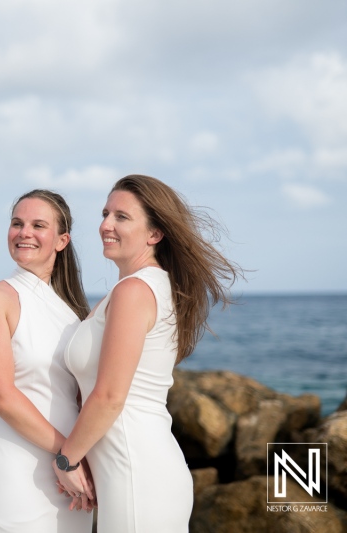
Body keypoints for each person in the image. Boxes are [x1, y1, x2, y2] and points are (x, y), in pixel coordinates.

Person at [54, 175, 243, 532]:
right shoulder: (143, 287)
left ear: (154, 234)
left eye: (121, 217)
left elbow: (110, 397)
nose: (105, 225)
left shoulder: (135, 291)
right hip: (136, 468)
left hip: (136, 472)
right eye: (105, 214)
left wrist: (67, 460)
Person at [0, 189, 95, 532]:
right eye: (17, 223)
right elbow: (1, 397)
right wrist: (68, 457)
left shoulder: (73, 315)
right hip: (16, 475)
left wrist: (80, 459)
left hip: (71, 479)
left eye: (38, 225)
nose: (24, 233)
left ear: (62, 240)